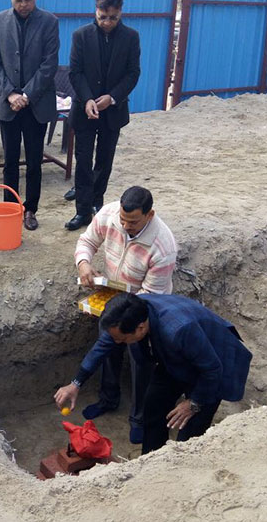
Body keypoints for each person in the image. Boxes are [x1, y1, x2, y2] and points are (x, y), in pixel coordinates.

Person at [55, 292, 252, 454]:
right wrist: (76, 383)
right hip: (174, 359)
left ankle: (179, 469)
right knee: (153, 407)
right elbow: (102, 346)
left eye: (122, 339)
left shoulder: (178, 329)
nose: (117, 343)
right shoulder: (129, 315)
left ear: (140, 328)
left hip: (214, 363)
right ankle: (150, 460)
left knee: (190, 430)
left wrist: (193, 403)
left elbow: (212, 369)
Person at [74, 186, 177, 443]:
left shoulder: (163, 247)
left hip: (143, 308)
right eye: (123, 219)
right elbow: (87, 241)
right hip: (114, 299)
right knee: (108, 351)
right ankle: (108, 399)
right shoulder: (109, 215)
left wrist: (123, 315)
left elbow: (151, 294)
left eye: (132, 222)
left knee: (141, 362)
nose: (125, 226)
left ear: (149, 215)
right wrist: (84, 263)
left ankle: (139, 417)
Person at [0, 0, 59, 231]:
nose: (24, 4)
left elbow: (49, 65)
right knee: (9, 162)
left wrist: (26, 95)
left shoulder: (49, 22)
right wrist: (11, 94)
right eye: (18, 0)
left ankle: (30, 209)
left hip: (36, 104)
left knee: (34, 162)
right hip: (9, 105)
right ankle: (11, 208)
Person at [64, 0, 140, 231]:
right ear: (95, 11)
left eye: (113, 18)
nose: (107, 22)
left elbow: (133, 73)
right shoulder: (81, 36)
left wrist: (113, 97)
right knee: (83, 161)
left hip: (113, 111)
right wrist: (87, 99)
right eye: (102, 17)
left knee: (105, 160)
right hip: (84, 110)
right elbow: (75, 72)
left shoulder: (131, 37)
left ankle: (97, 202)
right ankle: (82, 211)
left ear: (121, 12)